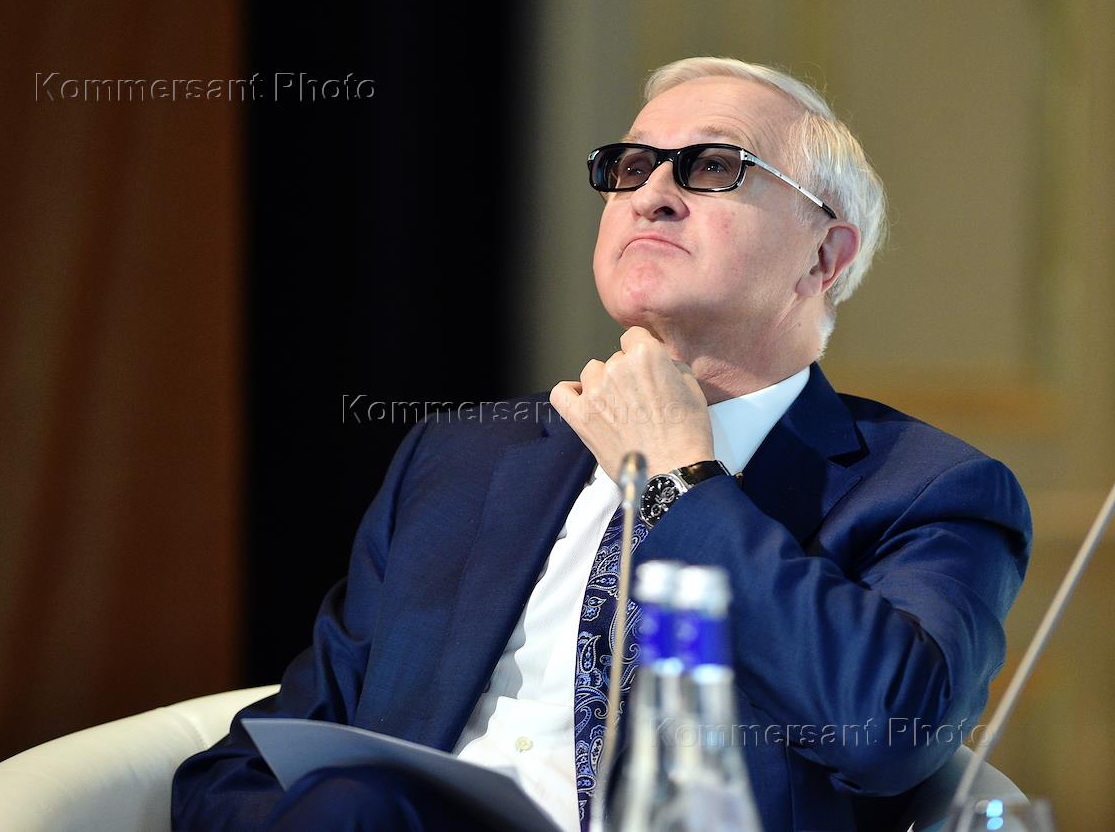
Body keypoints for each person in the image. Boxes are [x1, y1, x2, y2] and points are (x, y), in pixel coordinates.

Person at [172, 57, 1031, 832]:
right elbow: (254, 763)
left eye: (713, 166)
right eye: (630, 166)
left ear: (824, 258)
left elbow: (886, 734)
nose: (650, 193)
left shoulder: (931, 490)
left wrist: (681, 481)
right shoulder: (462, 460)